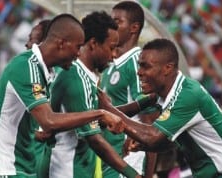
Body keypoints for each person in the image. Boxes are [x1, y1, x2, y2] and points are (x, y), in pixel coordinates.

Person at [0, 13, 125, 178]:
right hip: (5, 169)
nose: (79, 54)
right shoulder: (27, 66)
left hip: (23, 168)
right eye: (78, 47)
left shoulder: (44, 71)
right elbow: (49, 121)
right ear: (61, 43)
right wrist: (100, 113)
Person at [98, 38, 222, 178]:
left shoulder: (186, 95)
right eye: (140, 66)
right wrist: (103, 112)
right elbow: (132, 113)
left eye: (146, 66)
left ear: (167, 68)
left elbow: (152, 135)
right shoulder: (161, 94)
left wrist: (107, 109)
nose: (139, 72)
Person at [37, 11, 143, 178]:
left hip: (81, 169)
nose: (114, 55)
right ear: (94, 43)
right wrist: (134, 175)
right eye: (111, 48)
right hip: (66, 171)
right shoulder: (74, 77)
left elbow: (94, 118)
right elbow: (94, 140)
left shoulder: (88, 77)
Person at [100, 1, 158, 177]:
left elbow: (150, 122)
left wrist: (148, 174)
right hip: (108, 158)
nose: (111, 26)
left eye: (117, 22)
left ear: (134, 28)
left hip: (128, 159)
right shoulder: (110, 64)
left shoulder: (137, 63)